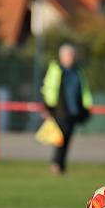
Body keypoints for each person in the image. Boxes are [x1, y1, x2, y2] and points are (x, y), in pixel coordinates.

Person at [41, 43, 93, 175]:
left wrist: (86, 107)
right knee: (60, 137)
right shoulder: (56, 69)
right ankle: (56, 164)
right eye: (69, 55)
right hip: (59, 110)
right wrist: (48, 107)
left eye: (72, 55)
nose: (71, 58)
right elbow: (49, 88)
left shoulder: (77, 71)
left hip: (73, 110)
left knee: (67, 138)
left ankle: (61, 165)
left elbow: (84, 90)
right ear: (62, 56)